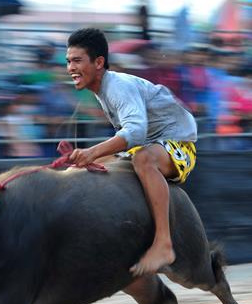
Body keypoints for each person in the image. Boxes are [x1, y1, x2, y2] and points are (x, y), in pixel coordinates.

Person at [64, 27, 197, 276]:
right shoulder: (102, 90)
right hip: (150, 141)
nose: (70, 68)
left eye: (77, 61)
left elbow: (135, 132)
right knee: (75, 170)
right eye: (68, 61)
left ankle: (163, 244)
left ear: (99, 62)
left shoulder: (117, 86)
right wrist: (90, 157)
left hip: (178, 143)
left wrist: (92, 152)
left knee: (142, 159)